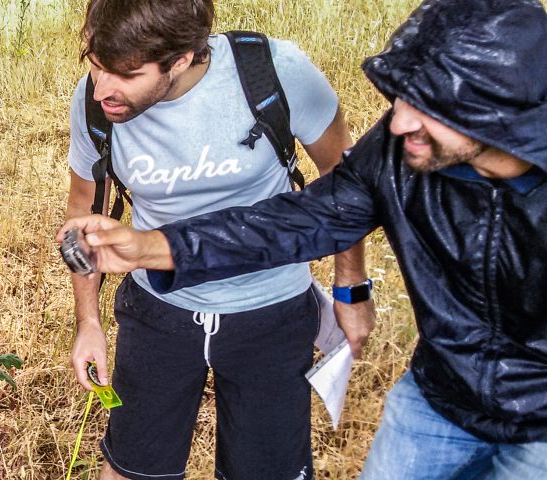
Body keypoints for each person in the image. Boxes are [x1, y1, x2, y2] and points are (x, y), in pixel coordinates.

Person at [60, 0, 547, 477]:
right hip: (440, 397)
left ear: (499, 112)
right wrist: (149, 250)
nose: (396, 124)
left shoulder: (275, 73)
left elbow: (330, 169)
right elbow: (307, 217)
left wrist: (349, 285)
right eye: (401, 102)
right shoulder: (401, 155)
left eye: (428, 108)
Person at [64, 1, 374, 479]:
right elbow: (86, 212)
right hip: (156, 313)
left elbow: (343, 180)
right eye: (96, 67)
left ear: (182, 59)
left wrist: (350, 286)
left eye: (126, 74)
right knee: (129, 469)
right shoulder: (95, 103)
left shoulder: (274, 73)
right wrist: (88, 322)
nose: (103, 88)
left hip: (272, 312)